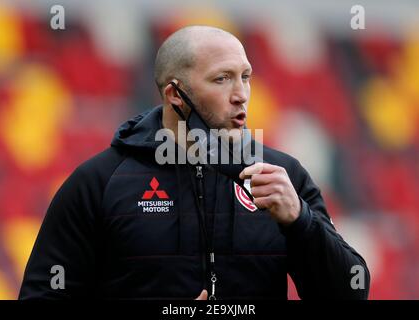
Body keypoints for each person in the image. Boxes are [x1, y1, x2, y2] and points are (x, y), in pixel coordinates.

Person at [19, 25, 370, 300]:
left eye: (245, 76)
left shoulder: (284, 177)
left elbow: (350, 292)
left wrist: (301, 223)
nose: (241, 94)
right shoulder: (98, 182)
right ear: (175, 94)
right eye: (222, 79)